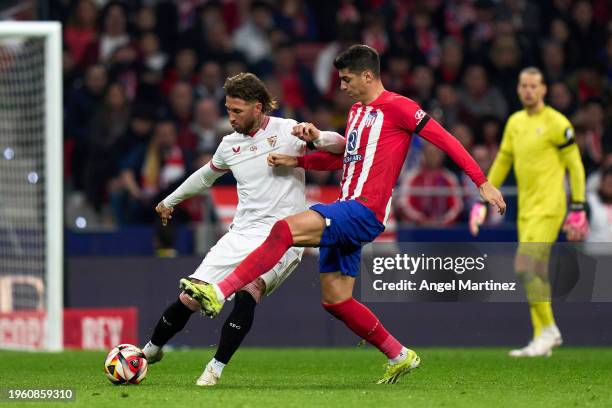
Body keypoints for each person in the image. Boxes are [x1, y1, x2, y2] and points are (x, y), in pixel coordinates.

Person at [179, 45, 506, 384]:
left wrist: (481, 182)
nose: (342, 86)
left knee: (284, 230)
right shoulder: (356, 113)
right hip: (348, 209)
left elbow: (446, 140)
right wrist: (300, 161)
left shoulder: (400, 108)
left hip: (363, 210)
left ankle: (219, 291)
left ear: (368, 75)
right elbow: (344, 159)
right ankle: (400, 355)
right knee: (336, 300)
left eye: (347, 79)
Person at [141, 72, 345, 386]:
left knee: (249, 291)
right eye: (228, 110)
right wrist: (170, 200)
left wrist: (317, 136)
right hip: (241, 234)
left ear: (258, 107)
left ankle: (215, 368)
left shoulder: (289, 130)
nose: (231, 117)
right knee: (191, 296)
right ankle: (151, 350)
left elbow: (341, 147)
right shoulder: (228, 144)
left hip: (286, 235)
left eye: (237, 111)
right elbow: (205, 176)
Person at [470, 67, 588, 357]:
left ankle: (549, 329)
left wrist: (578, 207)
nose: (528, 91)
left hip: (550, 206)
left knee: (523, 266)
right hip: (526, 208)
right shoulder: (515, 123)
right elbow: (502, 162)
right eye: (524, 86)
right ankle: (540, 339)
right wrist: (483, 198)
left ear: (544, 89)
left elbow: (575, 165)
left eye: (534, 86)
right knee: (536, 270)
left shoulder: (557, 123)